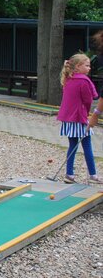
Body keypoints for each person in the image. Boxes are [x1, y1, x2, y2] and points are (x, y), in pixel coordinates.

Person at [56, 53, 101, 184]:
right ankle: (93, 175)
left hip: (68, 118)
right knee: (87, 146)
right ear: (77, 67)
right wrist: (88, 114)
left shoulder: (68, 78)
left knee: (72, 146)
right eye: (87, 65)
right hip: (79, 117)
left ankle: (69, 174)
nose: (89, 68)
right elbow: (89, 100)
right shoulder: (84, 80)